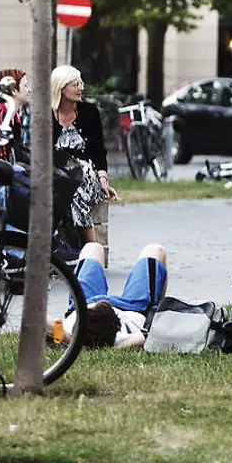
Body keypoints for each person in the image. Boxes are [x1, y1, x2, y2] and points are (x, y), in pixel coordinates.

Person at [51, 65, 118, 243]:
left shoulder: (89, 112)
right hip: (59, 175)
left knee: (74, 193)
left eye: (81, 83)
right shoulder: (48, 115)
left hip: (86, 176)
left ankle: (90, 247)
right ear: (61, 87)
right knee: (65, 190)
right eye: (75, 84)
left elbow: (98, 150)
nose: (81, 88)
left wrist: (103, 179)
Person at [62, 242, 168, 349]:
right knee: (155, 250)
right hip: (132, 308)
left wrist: (70, 340)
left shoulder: (67, 332)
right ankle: (160, 312)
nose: (102, 303)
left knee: (92, 247)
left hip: (84, 301)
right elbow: (144, 338)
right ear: (116, 325)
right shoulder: (122, 338)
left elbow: (49, 327)